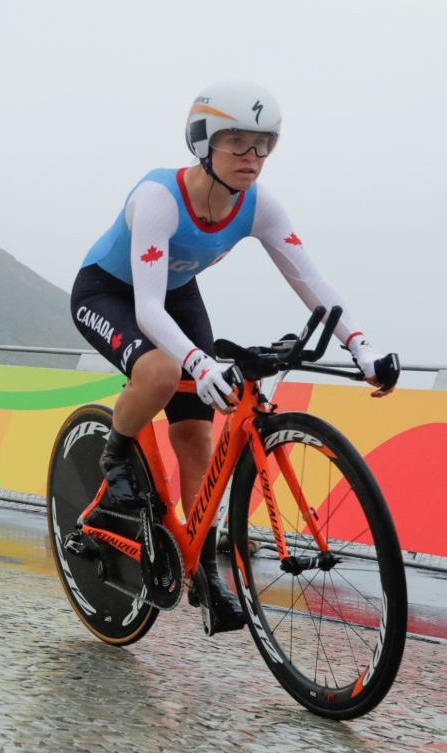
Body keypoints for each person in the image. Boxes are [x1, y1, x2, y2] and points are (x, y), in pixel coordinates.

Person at [69, 80, 396, 632]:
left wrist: (360, 346)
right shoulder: (158, 198)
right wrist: (200, 363)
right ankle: (117, 453)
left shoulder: (258, 206)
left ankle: (201, 570)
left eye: (264, 145)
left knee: (197, 439)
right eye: (238, 144)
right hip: (109, 292)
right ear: (203, 143)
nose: (253, 158)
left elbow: (309, 278)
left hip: (176, 295)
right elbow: (147, 307)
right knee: (160, 369)